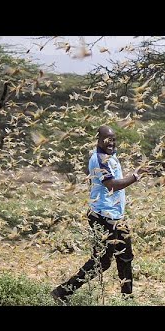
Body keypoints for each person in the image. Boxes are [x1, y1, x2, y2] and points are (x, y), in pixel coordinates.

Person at [51, 125, 150, 304]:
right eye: (107, 138)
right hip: (102, 216)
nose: (111, 142)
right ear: (99, 139)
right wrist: (134, 177)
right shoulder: (99, 159)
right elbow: (112, 185)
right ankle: (61, 293)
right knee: (102, 261)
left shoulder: (111, 157)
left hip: (116, 217)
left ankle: (127, 299)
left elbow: (115, 182)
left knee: (125, 257)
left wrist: (135, 173)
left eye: (113, 139)